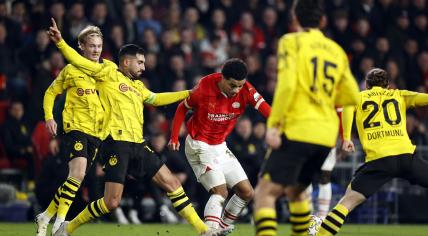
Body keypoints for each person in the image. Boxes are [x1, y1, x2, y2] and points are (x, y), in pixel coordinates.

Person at [47, 19, 228, 236]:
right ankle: (69, 227)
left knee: (171, 183)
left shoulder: (138, 86)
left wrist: (188, 93)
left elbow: (156, 98)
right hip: (115, 144)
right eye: (140, 63)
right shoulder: (107, 73)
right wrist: (60, 43)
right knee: (111, 202)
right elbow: (79, 61)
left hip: (138, 144)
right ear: (126, 62)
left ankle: (203, 230)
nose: (143, 67)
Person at [252, 0, 360, 235]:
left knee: (265, 193)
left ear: (295, 19)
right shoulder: (337, 51)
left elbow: (287, 85)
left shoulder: (291, 42)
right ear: (323, 21)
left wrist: (274, 125)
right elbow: (351, 94)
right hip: (325, 136)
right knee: (297, 191)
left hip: (299, 128)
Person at [315, 68, 428, 236]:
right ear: (388, 85)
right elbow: (424, 99)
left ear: (366, 85)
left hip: (380, 160)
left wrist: (346, 137)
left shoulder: (358, 97)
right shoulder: (398, 94)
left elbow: (347, 109)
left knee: (347, 202)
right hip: (406, 157)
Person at [168, 58, 271, 232]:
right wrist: (174, 137)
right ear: (222, 78)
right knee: (220, 192)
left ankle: (221, 229)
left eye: (240, 85)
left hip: (220, 146)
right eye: (232, 85)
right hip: (199, 145)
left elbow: (266, 110)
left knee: (247, 193)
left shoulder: (246, 89)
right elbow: (182, 108)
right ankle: (209, 232)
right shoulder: (203, 88)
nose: (236, 90)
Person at [35, 25, 113, 236]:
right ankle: (60, 225)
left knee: (74, 180)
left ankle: (45, 216)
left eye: (99, 46)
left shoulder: (107, 71)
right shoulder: (70, 71)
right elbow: (50, 93)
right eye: (91, 46)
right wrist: (49, 118)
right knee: (76, 174)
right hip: (75, 129)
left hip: (97, 134)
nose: (96, 50)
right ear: (81, 47)